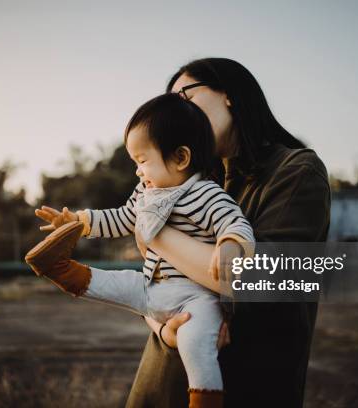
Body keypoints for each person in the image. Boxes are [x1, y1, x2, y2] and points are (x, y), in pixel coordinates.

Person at [122, 58, 332, 407]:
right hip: (160, 380)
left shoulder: (296, 170)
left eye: (185, 97)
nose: (178, 114)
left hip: (244, 388)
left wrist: (152, 229)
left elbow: (253, 279)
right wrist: (162, 328)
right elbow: (156, 282)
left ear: (230, 94)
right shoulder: (189, 181)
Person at [27, 93, 256, 408]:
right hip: (151, 288)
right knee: (117, 283)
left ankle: (205, 401)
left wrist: (230, 245)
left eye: (142, 161)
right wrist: (78, 221)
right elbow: (121, 218)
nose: (137, 171)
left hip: (195, 300)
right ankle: (60, 268)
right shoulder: (144, 193)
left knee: (195, 346)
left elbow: (236, 224)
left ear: (180, 158)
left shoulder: (206, 194)